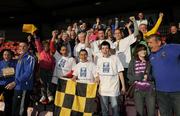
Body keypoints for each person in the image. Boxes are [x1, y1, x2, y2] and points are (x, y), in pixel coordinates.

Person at [147, 34, 180, 116]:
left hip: (177, 91)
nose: (148, 45)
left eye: (151, 43)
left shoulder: (171, 48)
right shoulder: (150, 56)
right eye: (148, 43)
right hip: (160, 91)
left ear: (158, 42)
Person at [6, 41, 35, 116]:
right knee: (15, 108)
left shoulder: (30, 58)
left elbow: (28, 73)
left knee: (20, 110)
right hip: (17, 86)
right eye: (20, 46)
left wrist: (15, 82)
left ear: (28, 47)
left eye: (24, 46)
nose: (22, 48)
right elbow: (15, 72)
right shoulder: (19, 58)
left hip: (24, 87)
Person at [96, 41, 125, 116]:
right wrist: (96, 86)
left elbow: (120, 73)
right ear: (101, 50)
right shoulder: (99, 60)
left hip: (113, 89)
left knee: (115, 111)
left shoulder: (115, 58)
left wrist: (123, 87)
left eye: (106, 48)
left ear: (109, 49)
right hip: (102, 90)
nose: (105, 50)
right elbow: (98, 75)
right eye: (103, 48)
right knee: (104, 111)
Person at [127, 44, 155, 116]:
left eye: (145, 50)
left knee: (151, 113)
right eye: (141, 50)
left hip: (149, 90)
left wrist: (148, 77)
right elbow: (129, 75)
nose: (144, 51)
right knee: (140, 113)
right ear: (137, 52)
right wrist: (138, 77)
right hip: (138, 90)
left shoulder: (149, 61)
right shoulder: (133, 61)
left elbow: (154, 75)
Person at [0, 50, 17, 116]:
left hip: (10, 85)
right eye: (5, 54)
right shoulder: (0, 62)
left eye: (8, 54)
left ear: (11, 55)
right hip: (1, 83)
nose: (6, 56)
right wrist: (8, 72)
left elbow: (15, 73)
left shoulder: (15, 62)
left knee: (8, 103)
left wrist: (5, 72)